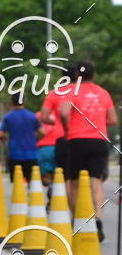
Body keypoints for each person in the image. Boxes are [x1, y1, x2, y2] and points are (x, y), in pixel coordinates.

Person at [60, 60, 117, 241]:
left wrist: (68, 128)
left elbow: (63, 112)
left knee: (73, 182)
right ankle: (97, 218)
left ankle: (77, 219)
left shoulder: (72, 91)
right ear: (94, 74)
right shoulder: (104, 93)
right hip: (99, 140)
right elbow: (113, 119)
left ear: (77, 75)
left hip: (77, 139)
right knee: (96, 182)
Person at [40, 64, 78, 204]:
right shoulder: (81, 92)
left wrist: (56, 122)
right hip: (79, 138)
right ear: (76, 76)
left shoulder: (54, 93)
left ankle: (71, 211)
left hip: (61, 139)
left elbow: (43, 117)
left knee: (66, 177)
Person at [0, 96, 44, 182]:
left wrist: (7, 138)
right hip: (32, 154)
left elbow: (0, 134)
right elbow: (43, 132)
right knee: (33, 182)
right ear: (24, 102)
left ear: (11, 102)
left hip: (15, 155)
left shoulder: (8, 117)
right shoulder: (32, 116)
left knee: (16, 182)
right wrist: (35, 139)